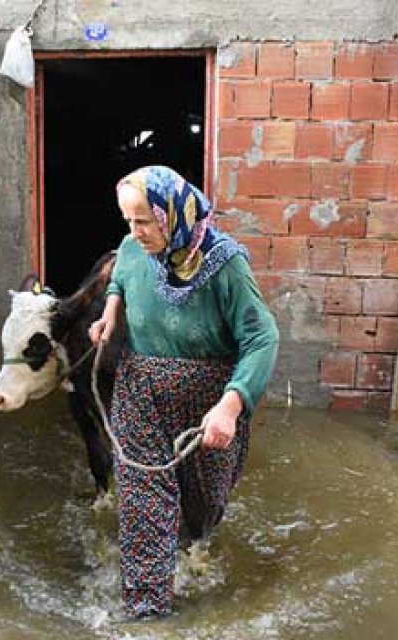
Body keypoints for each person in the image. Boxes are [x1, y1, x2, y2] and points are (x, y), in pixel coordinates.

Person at [88, 165, 279, 619]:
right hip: (141, 389)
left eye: (143, 222)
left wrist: (230, 407)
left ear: (170, 215)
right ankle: (147, 612)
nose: (133, 233)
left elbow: (262, 338)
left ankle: (191, 544)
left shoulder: (225, 264)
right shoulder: (133, 248)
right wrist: (112, 309)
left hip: (208, 398)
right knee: (143, 499)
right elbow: (120, 272)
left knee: (205, 504)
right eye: (127, 222)